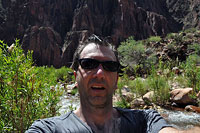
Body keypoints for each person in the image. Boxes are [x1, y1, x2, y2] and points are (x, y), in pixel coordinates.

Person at [26, 34, 196, 133]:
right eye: (89, 64)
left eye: (109, 66)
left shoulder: (146, 121)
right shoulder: (48, 128)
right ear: (75, 77)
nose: (100, 73)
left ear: (116, 81)